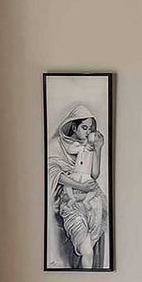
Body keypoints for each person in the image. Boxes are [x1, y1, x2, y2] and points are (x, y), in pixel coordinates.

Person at [46, 104, 107, 269]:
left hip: (90, 198)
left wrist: (98, 149)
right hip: (68, 198)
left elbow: (94, 174)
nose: (88, 132)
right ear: (74, 127)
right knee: (84, 246)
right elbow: (53, 173)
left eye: (90, 129)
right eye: (84, 127)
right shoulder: (57, 144)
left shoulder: (88, 147)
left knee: (92, 242)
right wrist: (80, 186)